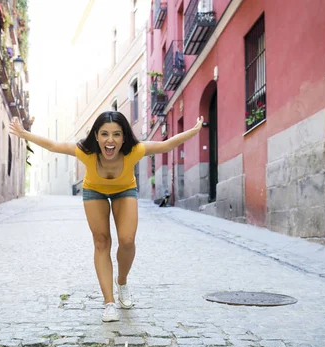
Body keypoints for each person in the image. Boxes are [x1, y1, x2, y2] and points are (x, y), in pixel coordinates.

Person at [10, 111, 204, 322]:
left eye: (116, 134)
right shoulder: (85, 152)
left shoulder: (135, 151)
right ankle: (109, 302)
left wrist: (193, 131)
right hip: (94, 192)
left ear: (123, 137)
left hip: (125, 191)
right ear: (96, 136)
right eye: (104, 134)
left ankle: (122, 282)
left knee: (127, 241)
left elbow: (166, 145)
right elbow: (53, 145)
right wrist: (23, 134)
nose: (110, 140)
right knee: (101, 241)